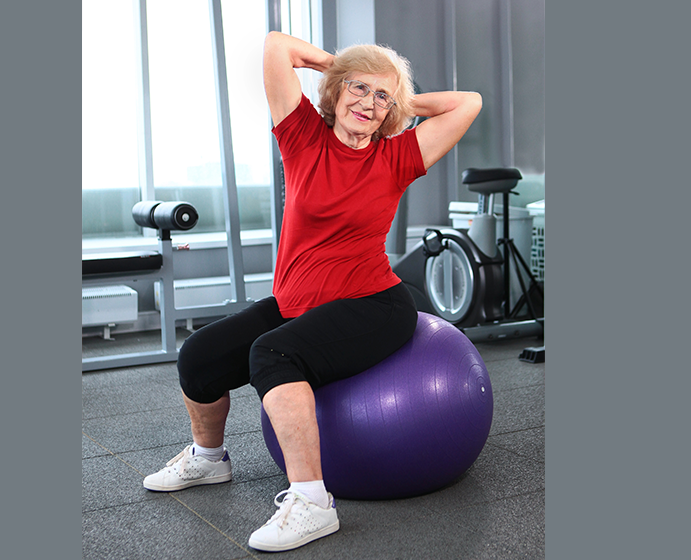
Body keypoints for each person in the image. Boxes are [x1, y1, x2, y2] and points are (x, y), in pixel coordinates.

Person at [143, 31, 482, 552]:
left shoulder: (397, 156)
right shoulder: (301, 135)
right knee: (200, 356)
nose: (367, 103)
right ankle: (208, 459)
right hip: (297, 303)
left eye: (381, 97)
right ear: (337, 89)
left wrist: (396, 100)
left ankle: (312, 503)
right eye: (358, 88)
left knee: (273, 354)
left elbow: (468, 103)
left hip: (373, 303)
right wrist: (344, 68)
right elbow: (277, 46)